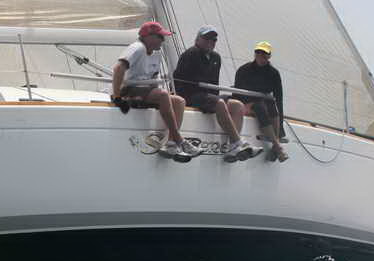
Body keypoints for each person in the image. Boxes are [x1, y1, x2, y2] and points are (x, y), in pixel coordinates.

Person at [110, 21, 194, 160]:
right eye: (160, 37)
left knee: (179, 101)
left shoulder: (156, 54)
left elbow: (153, 80)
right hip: (129, 89)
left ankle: (171, 144)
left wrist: (164, 98)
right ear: (148, 36)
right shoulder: (137, 48)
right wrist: (117, 96)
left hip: (145, 90)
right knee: (163, 95)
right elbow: (118, 68)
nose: (163, 40)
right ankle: (179, 139)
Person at [173, 26, 256, 162]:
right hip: (191, 95)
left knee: (237, 104)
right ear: (198, 39)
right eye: (206, 38)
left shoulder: (216, 57)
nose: (210, 42)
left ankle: (232, 146)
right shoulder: (191, 54)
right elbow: (179, 80)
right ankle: (237, 142)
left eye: (214, 39)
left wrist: (214, 97)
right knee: (219, 102)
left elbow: (214, 83)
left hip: (208, 96)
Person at [233, 41, 288, 162]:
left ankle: (276, 143)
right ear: (255, 54)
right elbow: (236, 94)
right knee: (260, 107)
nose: (261, 56)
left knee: (271, 105)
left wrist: (281, 125)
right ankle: (277, 146)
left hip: (263, 104)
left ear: (269, 56)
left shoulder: (274, 73)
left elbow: (279, 99)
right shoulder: (244, 70)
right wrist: (244, 106)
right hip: (246, 104)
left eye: (264, 54)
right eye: (258, 52)